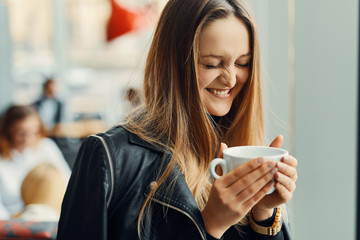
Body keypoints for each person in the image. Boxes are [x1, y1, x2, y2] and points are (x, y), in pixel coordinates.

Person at [58, 0, 298, 239]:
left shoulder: (241, 150)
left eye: (242, 63)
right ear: (174, 64)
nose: (231, 79)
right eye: (212, 64)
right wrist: (211, 225)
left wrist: (264, 214)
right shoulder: (110, 158)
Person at [0, 105, 71, 219]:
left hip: (50, 218)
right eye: (21, 133)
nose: (28, 138)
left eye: (34, 132)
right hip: (13, 223)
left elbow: (66, 180)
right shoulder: (2, 159)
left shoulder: (46, 147)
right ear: (9, 131)